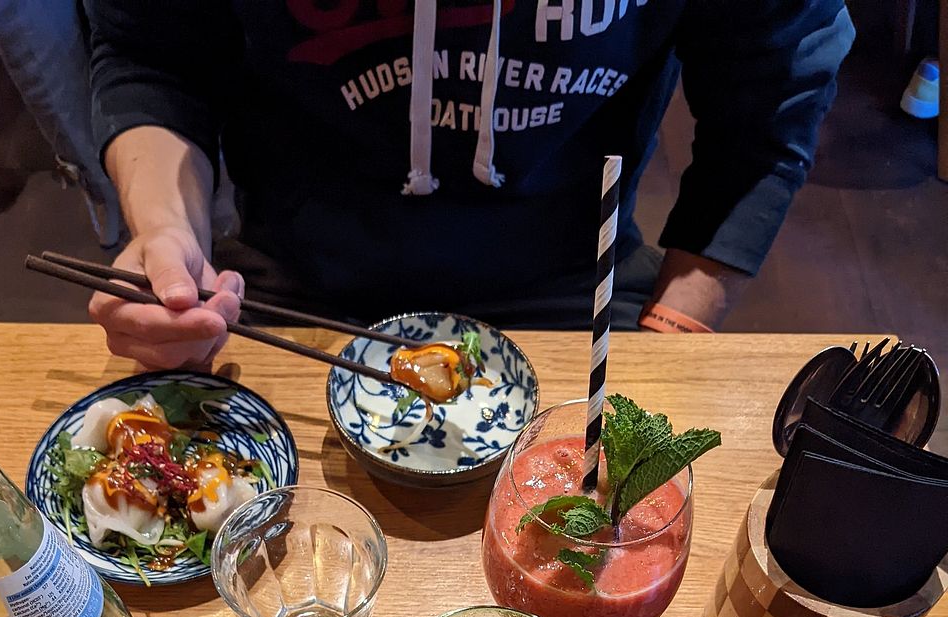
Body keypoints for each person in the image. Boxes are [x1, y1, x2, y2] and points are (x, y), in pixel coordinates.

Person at [84, 0, 853, 370]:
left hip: (573, 281)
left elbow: (773, 97)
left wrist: (677, 333)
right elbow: (154, 57)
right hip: (296, 278)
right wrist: (166, 233)